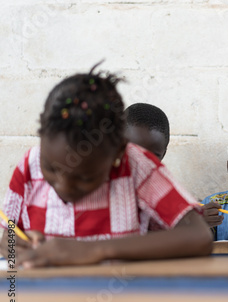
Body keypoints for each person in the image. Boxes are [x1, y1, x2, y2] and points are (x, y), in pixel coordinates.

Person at [0, 66, 212, 267]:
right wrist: (17, 246)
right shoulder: (30, 163)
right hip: (46, 297)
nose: (63, 186)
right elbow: (7, 236)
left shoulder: (137, 166)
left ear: (119, 152)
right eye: (51, 170)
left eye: (85, 178)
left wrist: (95, 250)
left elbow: (199, 236)